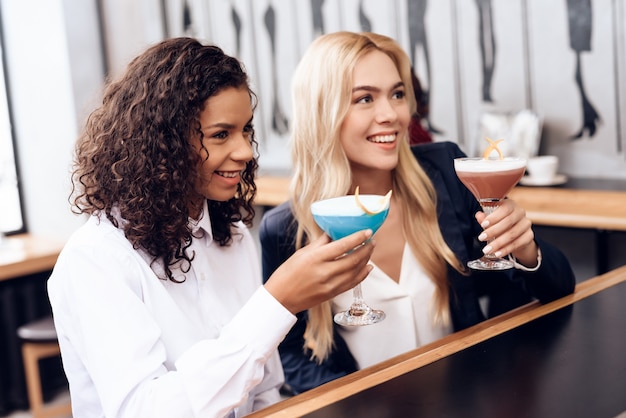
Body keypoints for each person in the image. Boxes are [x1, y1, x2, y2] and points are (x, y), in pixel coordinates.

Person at [47, 37, 375, 417]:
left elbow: (265, 391)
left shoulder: (232, 236)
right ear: (163, 143)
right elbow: (144, 410)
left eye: (246, 130)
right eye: (221, 134)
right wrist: (277, 303)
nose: (246, 151)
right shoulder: (96, 259)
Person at [259, 31, 576, 395]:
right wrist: (354, 403)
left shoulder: (445, 171)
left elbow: (560, 285)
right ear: (322, 113)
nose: (391, 114)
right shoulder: (286, 228)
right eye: (364, 98)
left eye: (397, 94)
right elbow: (288, 354)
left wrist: (525, 251)